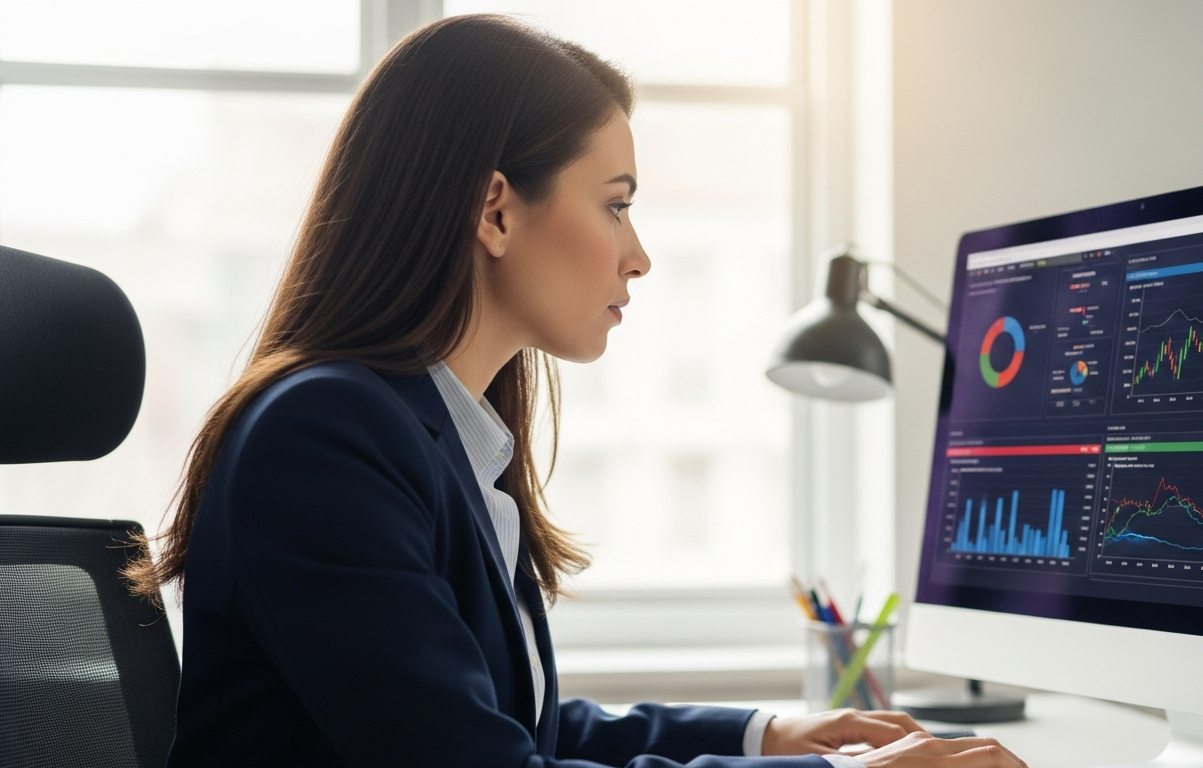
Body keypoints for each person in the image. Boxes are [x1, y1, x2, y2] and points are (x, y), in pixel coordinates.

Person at [125, 15, 1030, 768]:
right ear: (496, 209)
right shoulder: (322, 436)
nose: (638, 254)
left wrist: (770, 735)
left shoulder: (442, 439)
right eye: (616, 203)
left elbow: (510, 730)